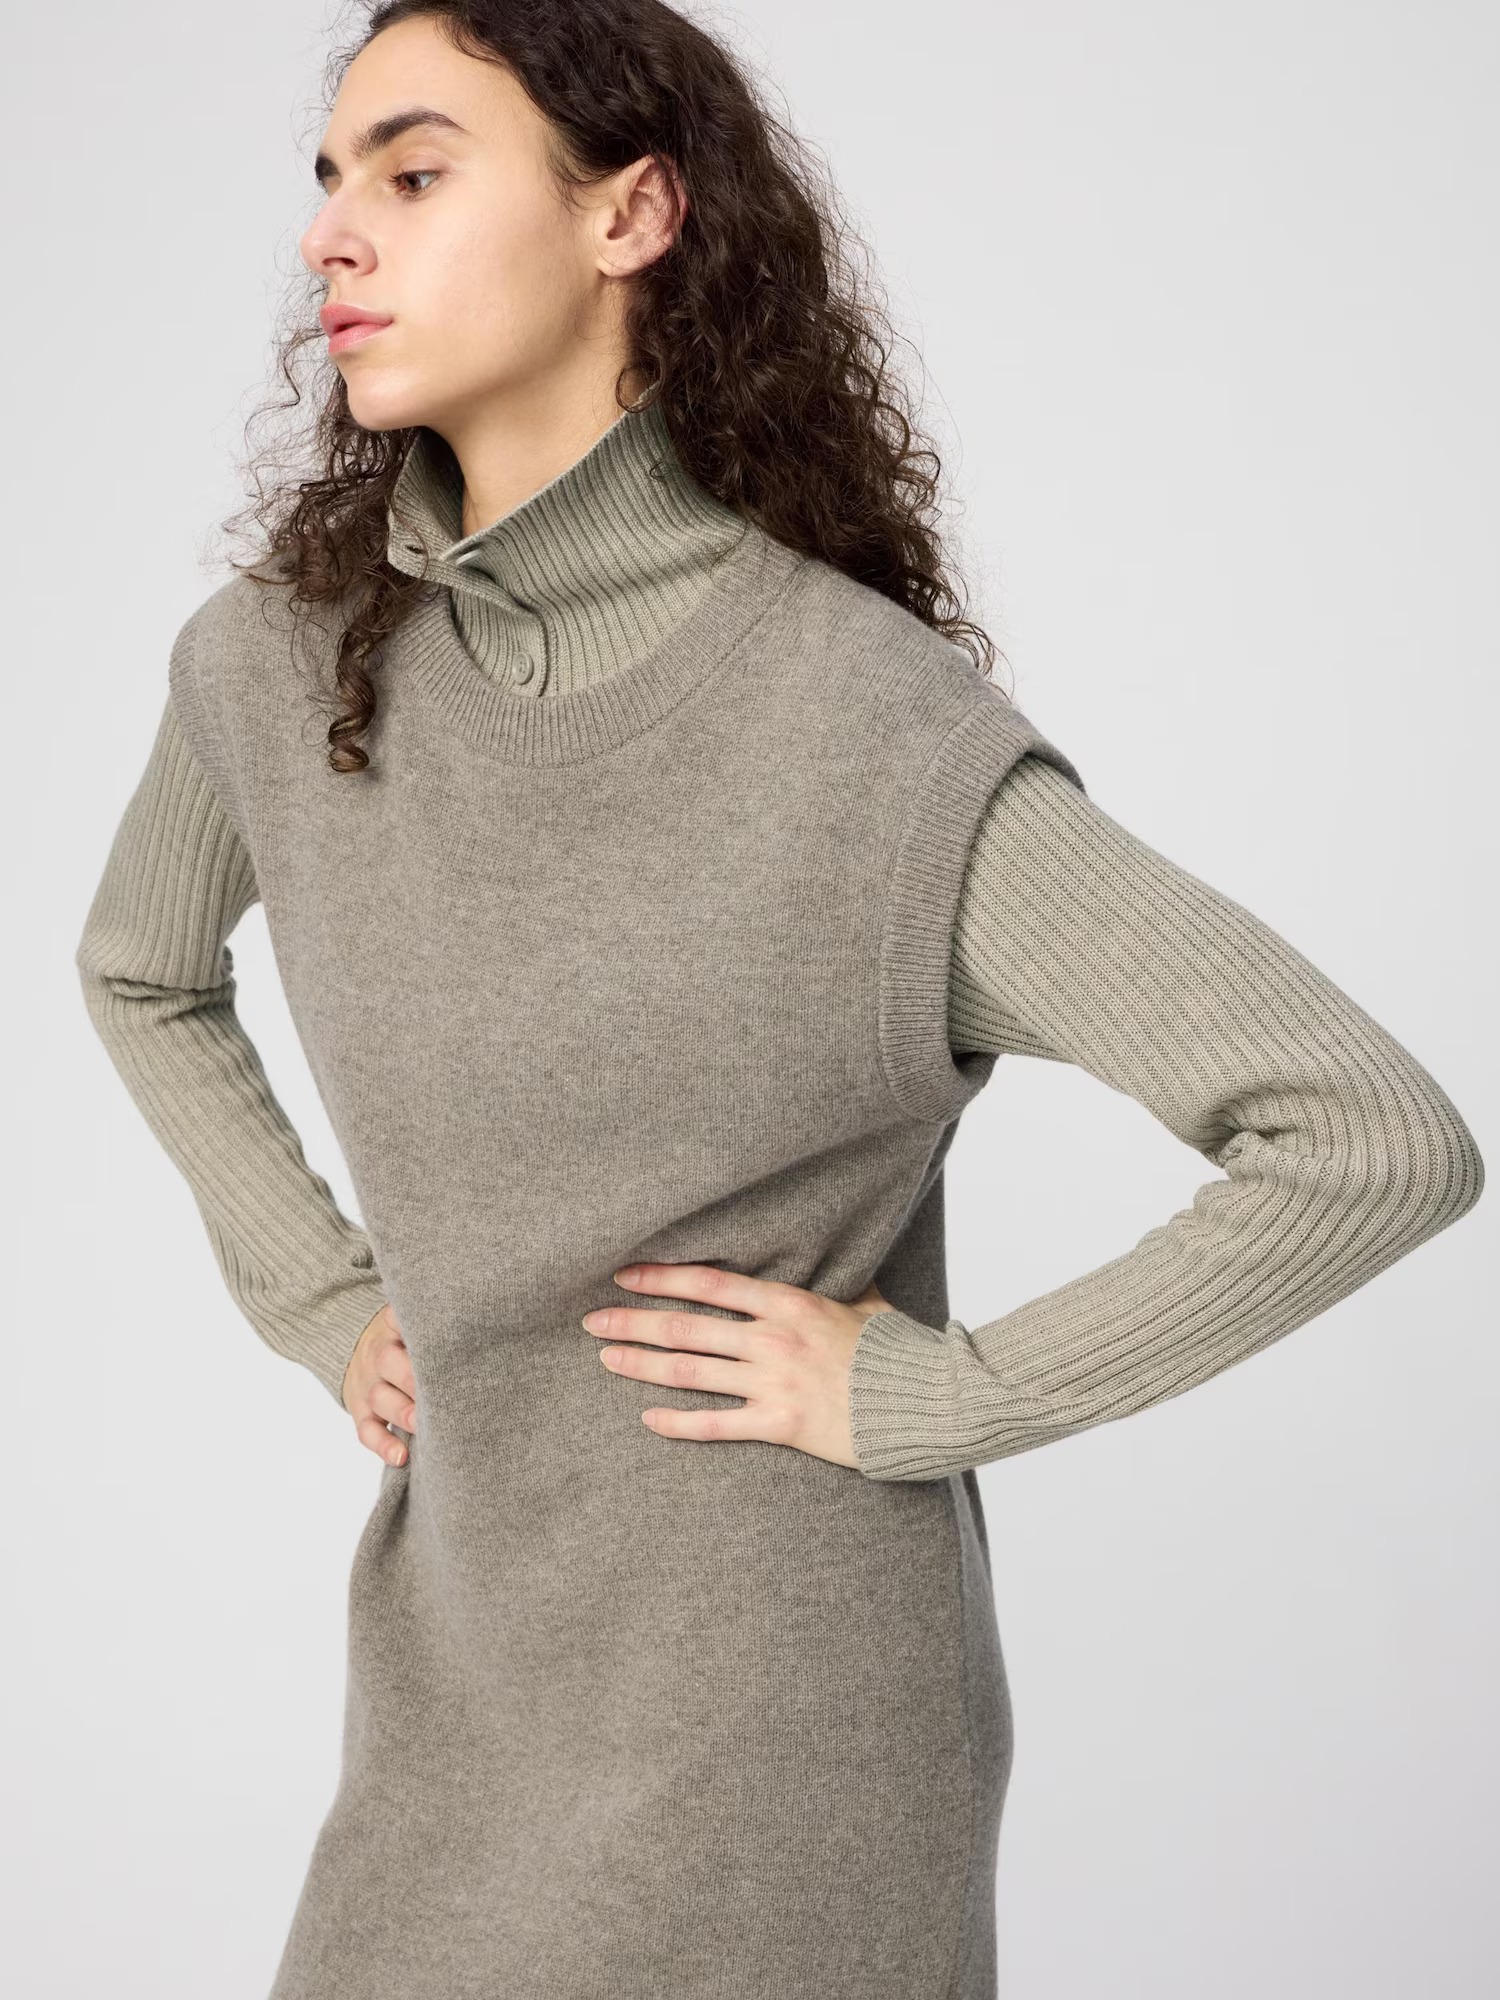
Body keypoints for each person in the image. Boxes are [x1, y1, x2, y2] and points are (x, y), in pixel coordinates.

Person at [74, 3, 1484, 1994]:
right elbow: (140, 967)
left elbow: (1367, 1136)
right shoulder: (275, 667)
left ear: (630, 214)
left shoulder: (870, 738)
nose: (331, 233)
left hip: (788, 1744)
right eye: (327, 181)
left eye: (413, 171)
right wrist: (322, 1301)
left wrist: (936, 1392)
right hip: (452, 1697)